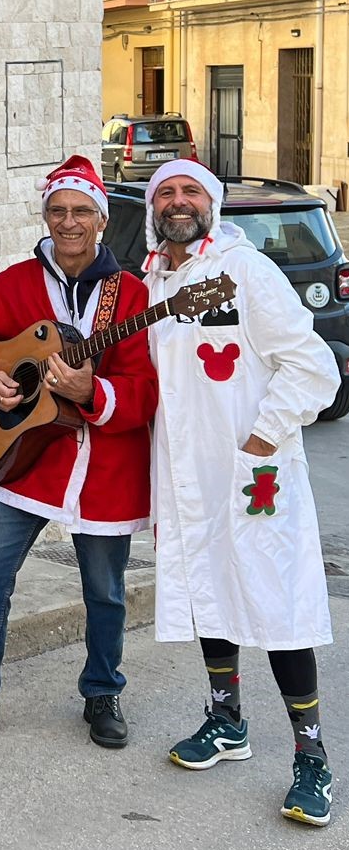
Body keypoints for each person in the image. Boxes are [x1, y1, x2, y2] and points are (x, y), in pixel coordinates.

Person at [0, 156, 157, 747]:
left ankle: (102, 693)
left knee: (104, 590)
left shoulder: (134, 295)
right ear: (45, 216)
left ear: (101, 219)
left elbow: (146, 391)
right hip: (26, 462)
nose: (68, 223)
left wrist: (89, 390)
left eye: (81, 212)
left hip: (105, 470)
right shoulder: (17, 283)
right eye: (57, 211)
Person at [141, 159, 338, 827]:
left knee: (276, 601)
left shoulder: (245, 270)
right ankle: (226, 721)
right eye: (164, 190)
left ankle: (311, 758)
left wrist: (261, 437)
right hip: (186, 475)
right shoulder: (149, 281)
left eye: (189, 189)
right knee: (209, 588)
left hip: (255, 472)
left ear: (211, 205)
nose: (176, 200)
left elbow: (313, 366)